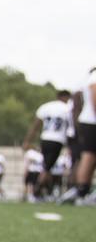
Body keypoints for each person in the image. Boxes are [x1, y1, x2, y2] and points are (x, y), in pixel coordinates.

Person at [23, 91, 72, 199]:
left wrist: (27, 140)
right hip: (57, 139)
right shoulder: (67, 108)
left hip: (45, 138)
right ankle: (37, 190)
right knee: (47, 167)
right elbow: (71, 127)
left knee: (47, 165)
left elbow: (35, 126)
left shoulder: (46, 107)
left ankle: (45, 191)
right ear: (66, 97)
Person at [60, 67, 96, 204]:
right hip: (92, 122)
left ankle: (83, 190)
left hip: (89, 121)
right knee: (89, 156)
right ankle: (81, 189)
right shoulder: (94, 77)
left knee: (89, 156)